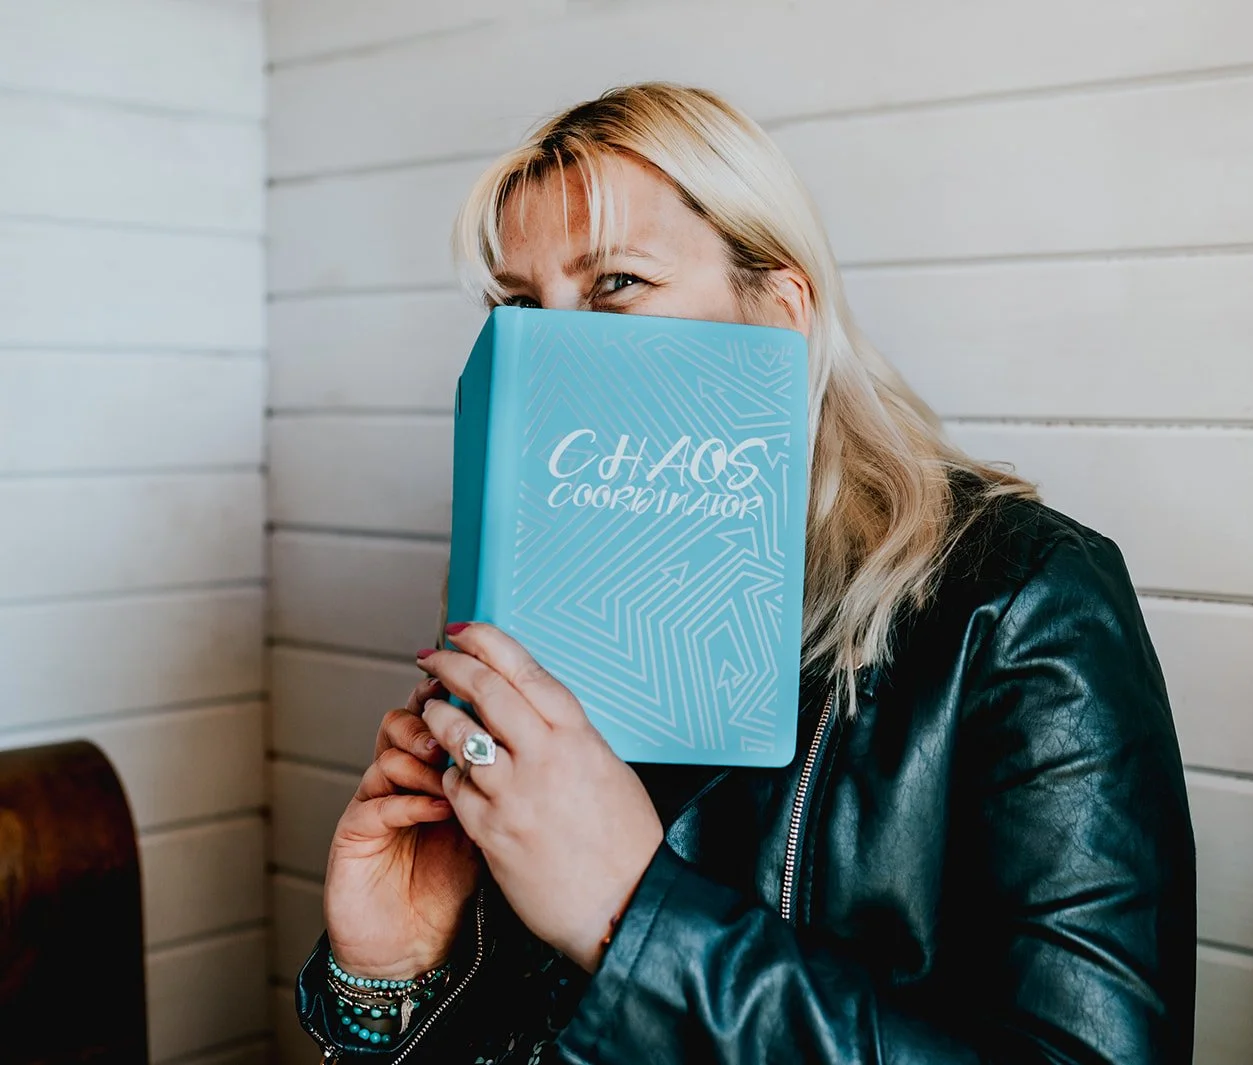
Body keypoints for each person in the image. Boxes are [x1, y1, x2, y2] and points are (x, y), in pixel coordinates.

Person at [295, 82, 1196, 1064]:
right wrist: (391, 971)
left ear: (778, 310)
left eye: (617, 284)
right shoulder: (536, 592)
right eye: (520, 305)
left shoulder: (1021, 602)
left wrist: (631, 916)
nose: (556, 344)